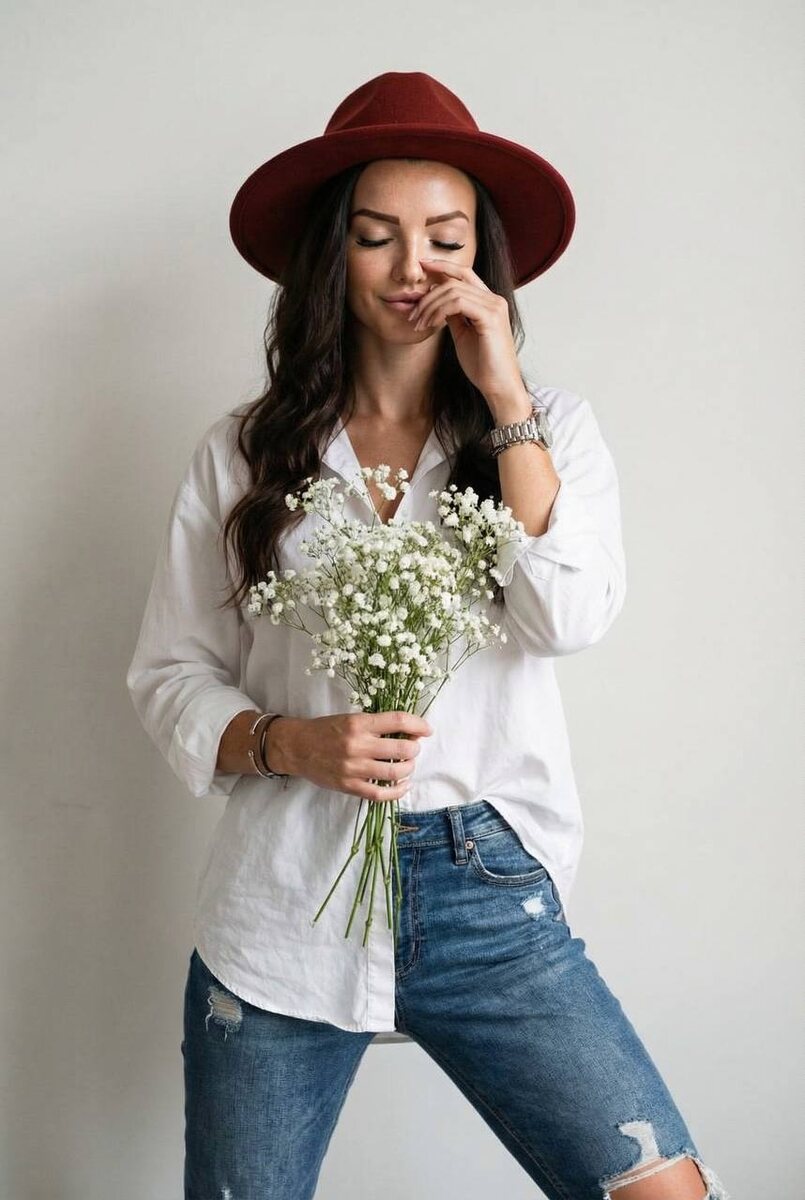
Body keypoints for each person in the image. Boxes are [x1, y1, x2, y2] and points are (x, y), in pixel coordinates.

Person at [126, 72, 729, 1200]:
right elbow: (169, 673)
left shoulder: (553, 430)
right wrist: (286, 742)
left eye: (445, 240)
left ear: (480, 260)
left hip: (486, 883)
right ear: (333, 256)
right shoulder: (245, 452)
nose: (413, 268)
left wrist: (504, 398)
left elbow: (568, 618)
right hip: (287, 891)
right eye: (376, 237)